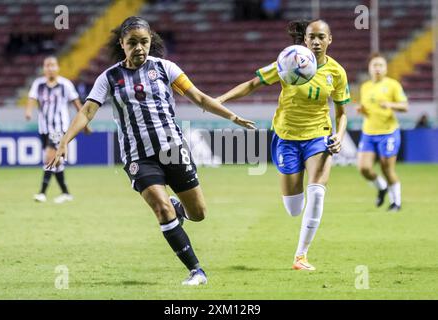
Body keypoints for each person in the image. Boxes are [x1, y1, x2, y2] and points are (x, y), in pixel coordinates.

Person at [47, 16, 256, 285]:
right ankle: (196, 270)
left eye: (144, 42)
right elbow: (87, 111)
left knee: (198, 214)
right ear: (122, 44)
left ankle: (178, 208)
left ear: (151, 42)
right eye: (132, 42)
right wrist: (65, 141)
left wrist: (232, 117)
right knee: (161, 208)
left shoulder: (166, 69)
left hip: (173, 150)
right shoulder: (109, 78)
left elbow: (200, 98)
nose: (139, 48)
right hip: (138, 156)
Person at [216, 20, 350, 271]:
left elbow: (342, 113)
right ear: (305, 39)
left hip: (318, 137)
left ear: (330, 39)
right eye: (312, 37)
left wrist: (339, 135)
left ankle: (301, 256)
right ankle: (300, 241)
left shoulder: (337, 73)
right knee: (293, 209)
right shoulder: (288, 60)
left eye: (322, 37)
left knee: (317, 192)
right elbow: (252, 84)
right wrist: (220, 100)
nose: (317, 42)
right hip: (286, 137)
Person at [25, 55, 90, 204]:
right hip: (44, 128)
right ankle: (66, 193)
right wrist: (28, 111)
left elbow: (77, 104)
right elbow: (31, 99)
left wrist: (85, 123)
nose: (50, 68)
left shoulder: (65, 84)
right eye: (47, 65)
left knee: (49, 157)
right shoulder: (38, 84)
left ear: (58, 67)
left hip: (59, 128)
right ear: (44, 68)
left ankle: (42, 193)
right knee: (58, 162)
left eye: (53, 65)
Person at [357, 53, 408, 212]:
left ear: (386, 68)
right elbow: (368, 109)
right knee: (364, 168)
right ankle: (381, 187)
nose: (377, 68)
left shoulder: (393, 85)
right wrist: (362, 111)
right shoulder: (365, 86)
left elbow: (405, 106)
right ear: (369, 68)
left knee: (387, 168)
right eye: (374, 65)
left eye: (380, 65)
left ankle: (396, 202)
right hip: (368, 132)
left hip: (388, 132)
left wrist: (391, 105)